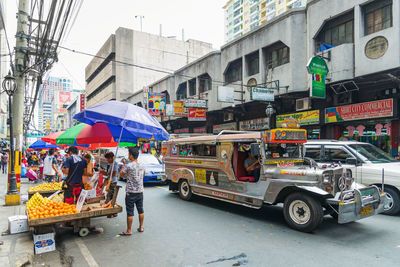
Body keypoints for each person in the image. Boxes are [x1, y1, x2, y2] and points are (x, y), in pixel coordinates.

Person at [119, 147, 145, 236]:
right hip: (140, 191)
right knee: (140, 210)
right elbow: (143, 176)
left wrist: (123, 165)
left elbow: (121, 175)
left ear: (131, 155)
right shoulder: (142, 165)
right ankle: (141, 227)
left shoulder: (128, 165)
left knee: (130, 212)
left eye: (128, 154)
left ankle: (129, 230)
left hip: (130, 192)